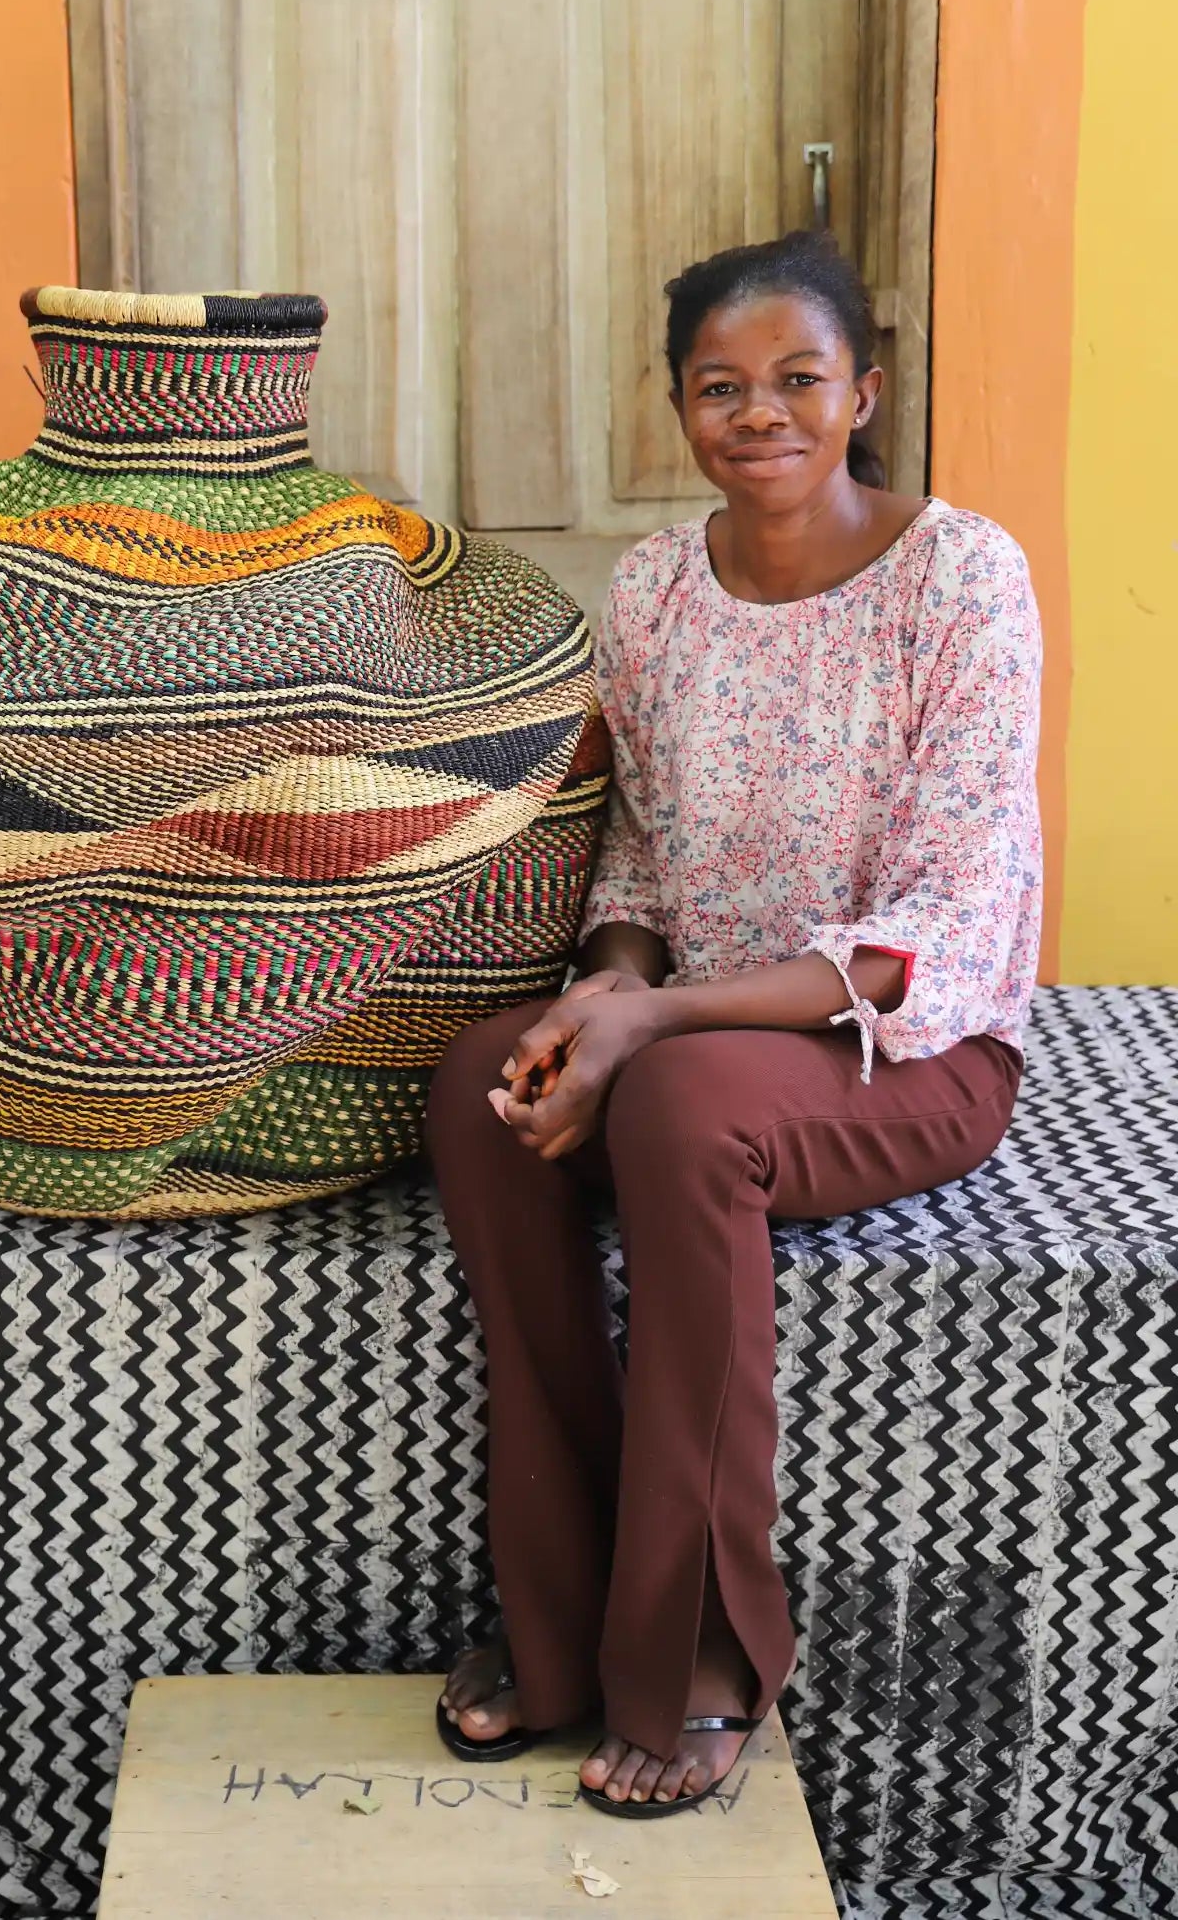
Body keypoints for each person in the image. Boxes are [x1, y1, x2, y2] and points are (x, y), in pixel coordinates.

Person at [426, 230, 1042, 1819]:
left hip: (905, 1051)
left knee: (680, 1109)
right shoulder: (654, 589)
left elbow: (933, 934)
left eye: (797, 378)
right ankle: (558, 1628)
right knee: (484, 1080)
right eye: (720, 386)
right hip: (692, 1035)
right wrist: (604, 995)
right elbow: (638, 856)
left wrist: (655, 1025)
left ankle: (700, 1650)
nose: (759, 412)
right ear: (681, 407)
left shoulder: (963, 576)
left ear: (863, 395)